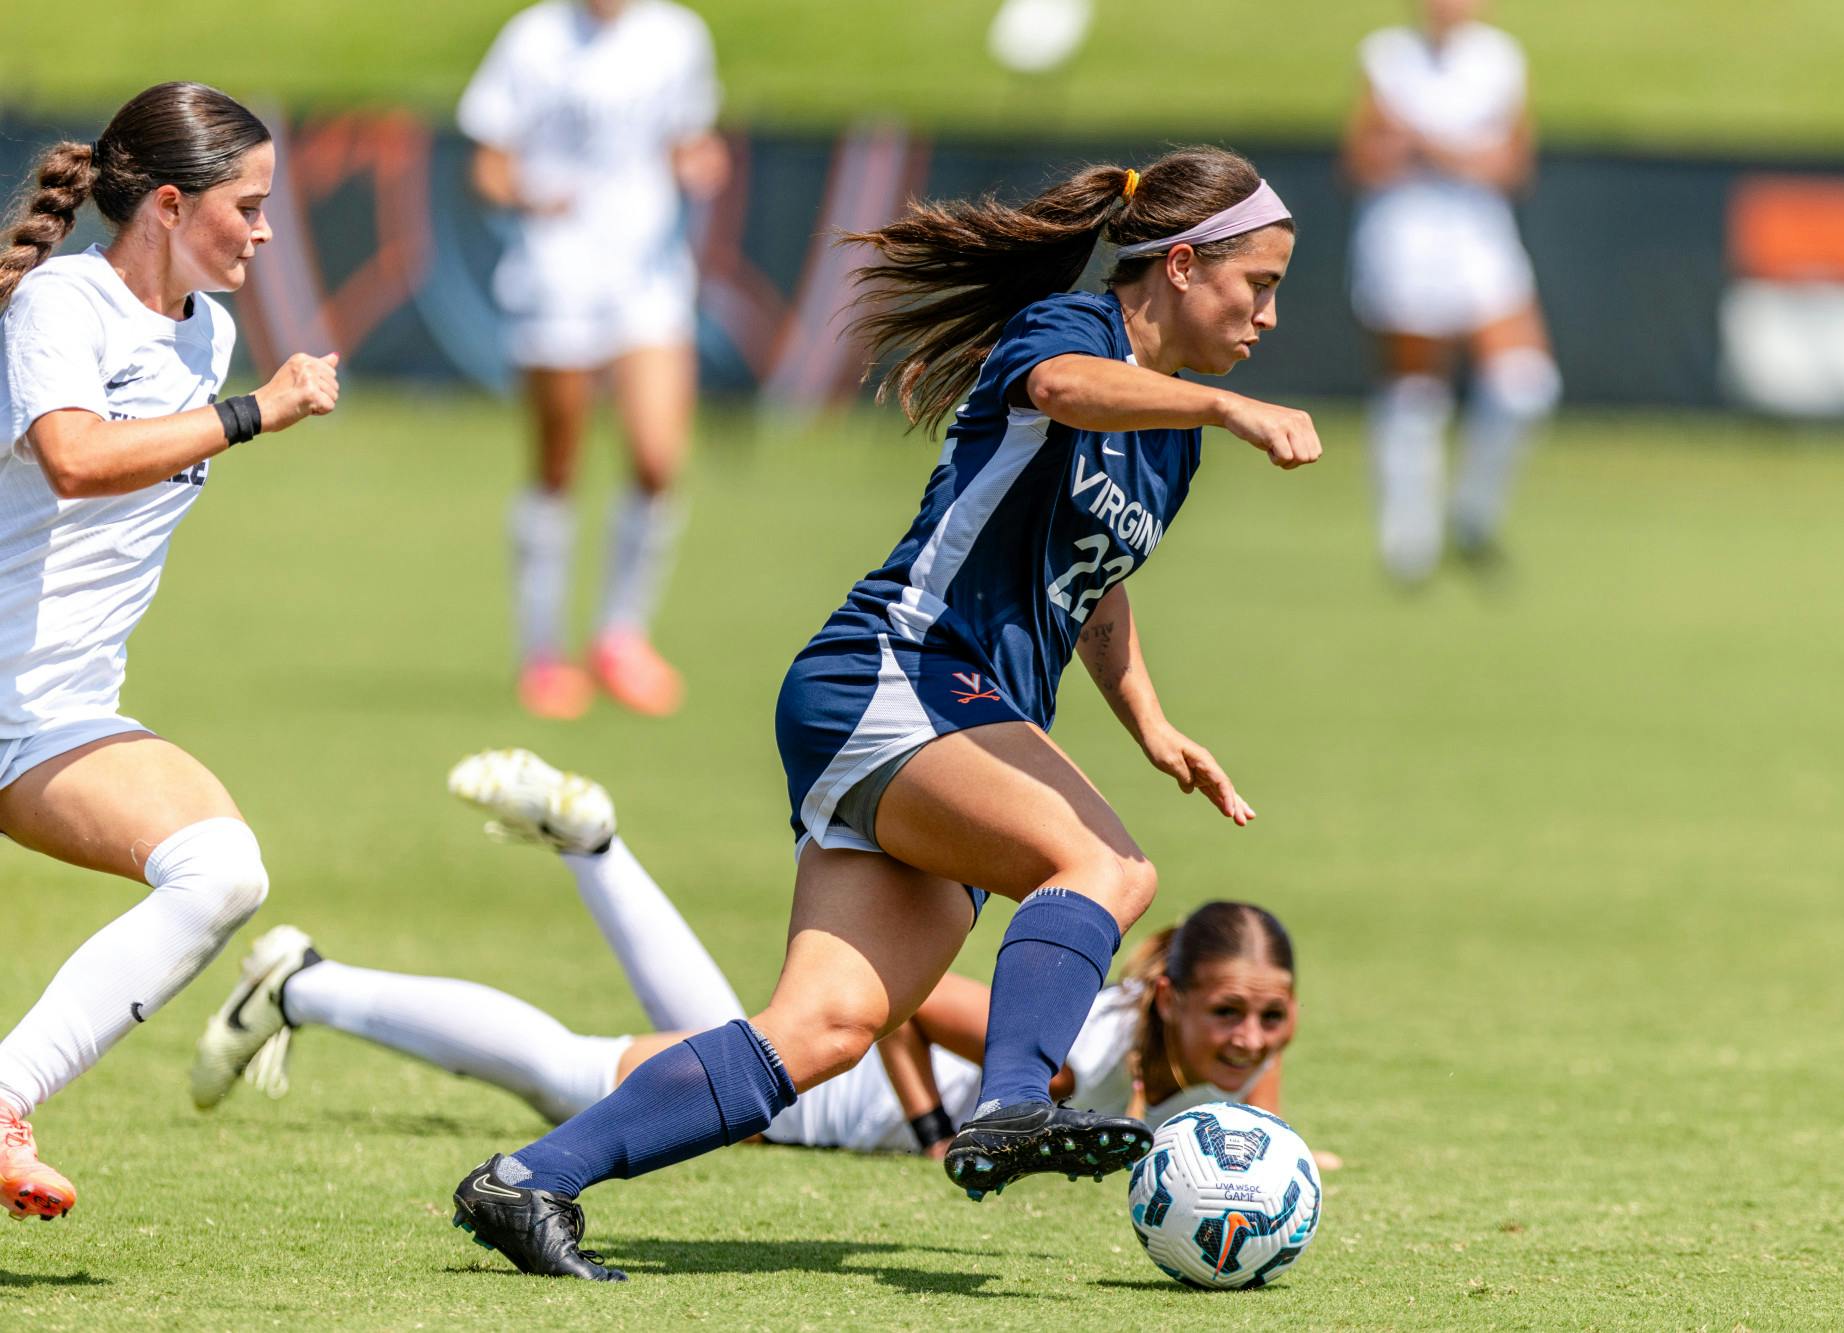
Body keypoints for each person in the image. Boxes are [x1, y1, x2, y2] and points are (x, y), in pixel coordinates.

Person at [438, 143, 1320, 1281]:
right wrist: (1227, 404)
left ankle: (528, 1181)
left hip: (945, 717)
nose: (1268, 316)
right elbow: (1055, 396)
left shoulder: (1169, 439)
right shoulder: (1071, 332)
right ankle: (1011, 1103)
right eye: (1260, 285)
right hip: (893, 671)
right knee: (1105, 866)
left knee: (822, 1030)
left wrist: (1149, 721)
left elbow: (1093, 578)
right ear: (1184, 264)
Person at [192, 751, 1335, 1177]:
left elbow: (1244, 1098)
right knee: (567, 1075)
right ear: (1168, 992)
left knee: (641, 1037)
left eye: (1269, 1020)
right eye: (1230, 1013)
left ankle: (594, 846)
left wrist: (1286, 1156)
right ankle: (301, 982)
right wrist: (930, 1123)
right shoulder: (1074, 1028)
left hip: (809, 1079)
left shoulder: (1219, 1051)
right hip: (815, 1097)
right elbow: (906, 994)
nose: (1246, 1043)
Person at [0, 82, 341, 1221]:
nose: (263, 230)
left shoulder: (212, 328)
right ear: (163, 204)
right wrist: (257, 413)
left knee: (223, 869)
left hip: (58, 709)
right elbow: (76, 461)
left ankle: (5, 1095)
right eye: (246, 206)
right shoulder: (63, 302)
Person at [458, 0, 731, 720]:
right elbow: (487, 165)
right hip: (554, 278)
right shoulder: (533, 37)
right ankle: (544, 653)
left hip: (648, 280)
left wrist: (699, 162)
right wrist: (530, 196)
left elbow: (683, 141)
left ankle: (620, 637)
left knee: (656, 459)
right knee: (557, 466)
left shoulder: (678, 35)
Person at [1344, 0, 1561, 583]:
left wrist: (1426, 143)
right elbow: (1363, 159)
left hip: (1478, 237)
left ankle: (1472, 515)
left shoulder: (1501, 58)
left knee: (1524, 386)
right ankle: (1407, 541)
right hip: (1405, 237)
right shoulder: (1386, 55)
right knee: (1416, 391)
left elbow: (1514, 162)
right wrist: (1458, 151)